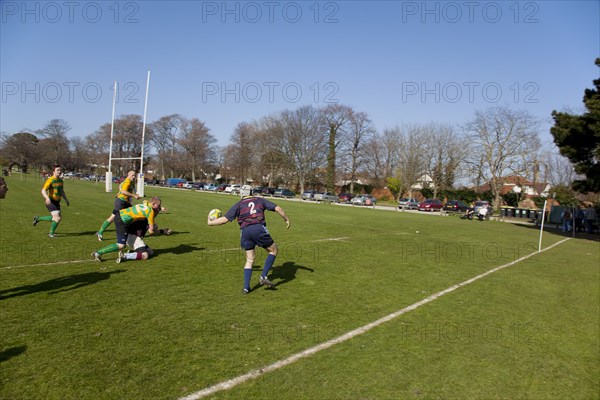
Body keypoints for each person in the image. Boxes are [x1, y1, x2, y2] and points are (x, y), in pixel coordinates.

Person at [207, 185, 290, 294]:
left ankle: (246, 288)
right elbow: (278, 208)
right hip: (258, 228)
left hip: (245, 232)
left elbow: (224, 220)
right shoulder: (260, 200)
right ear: (251, 192)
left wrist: (210, 222)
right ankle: (263, 276)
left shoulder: (238, 205)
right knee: (273, 250)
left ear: (241, 194)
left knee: (250, 259)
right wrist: (286, 219)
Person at [92, 196, 162, 261]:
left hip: (121, 215)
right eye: (158, 206)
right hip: (122, 220)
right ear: (153, 204)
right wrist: (159, 230)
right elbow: (151, 230)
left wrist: (161, 208)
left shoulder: (146, 203)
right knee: (121, 245)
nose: (159, 207)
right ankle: (98, 253)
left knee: (148, 252)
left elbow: (145, 202)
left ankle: (132, 252)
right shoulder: (150, 212)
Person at [96, 170, 140, 241]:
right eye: (132, 175)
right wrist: (134, 195)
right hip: (121, 202)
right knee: (113, 218)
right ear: (128, 175)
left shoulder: (131, 182)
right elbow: (123, 191)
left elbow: (122, 188)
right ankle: (100, 232)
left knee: (131, 218)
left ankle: (131, 234)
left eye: (135, 176)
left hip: (126, 203)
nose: (134, 177)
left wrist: (132, 197)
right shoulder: (127, 182)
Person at [33, 165, 70, 237]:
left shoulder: (60, 181)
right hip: (51, 201)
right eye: (58, 170)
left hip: (57, 202)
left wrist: (66, 199)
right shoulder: (50, 180)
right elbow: (43, 190)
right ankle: (51, 233)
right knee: (57, 218)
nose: (59, 171)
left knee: (56, 218)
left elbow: (61, 191)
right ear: (54, 171)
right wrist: (47, 198)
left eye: (60, 170)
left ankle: (38, 218)